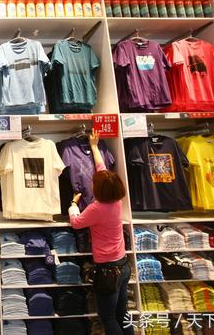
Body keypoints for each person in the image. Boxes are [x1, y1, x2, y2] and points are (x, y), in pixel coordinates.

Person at [69, 130, 133, 335]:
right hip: (123, 265)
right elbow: (102, 168)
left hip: (107, 270)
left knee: (108, 318)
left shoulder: (96, 208)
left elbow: (76, 223)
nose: (92, 182)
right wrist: (95, 147)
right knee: (122, 314)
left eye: (94, 183)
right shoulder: (116, 200)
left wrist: (73, 205)